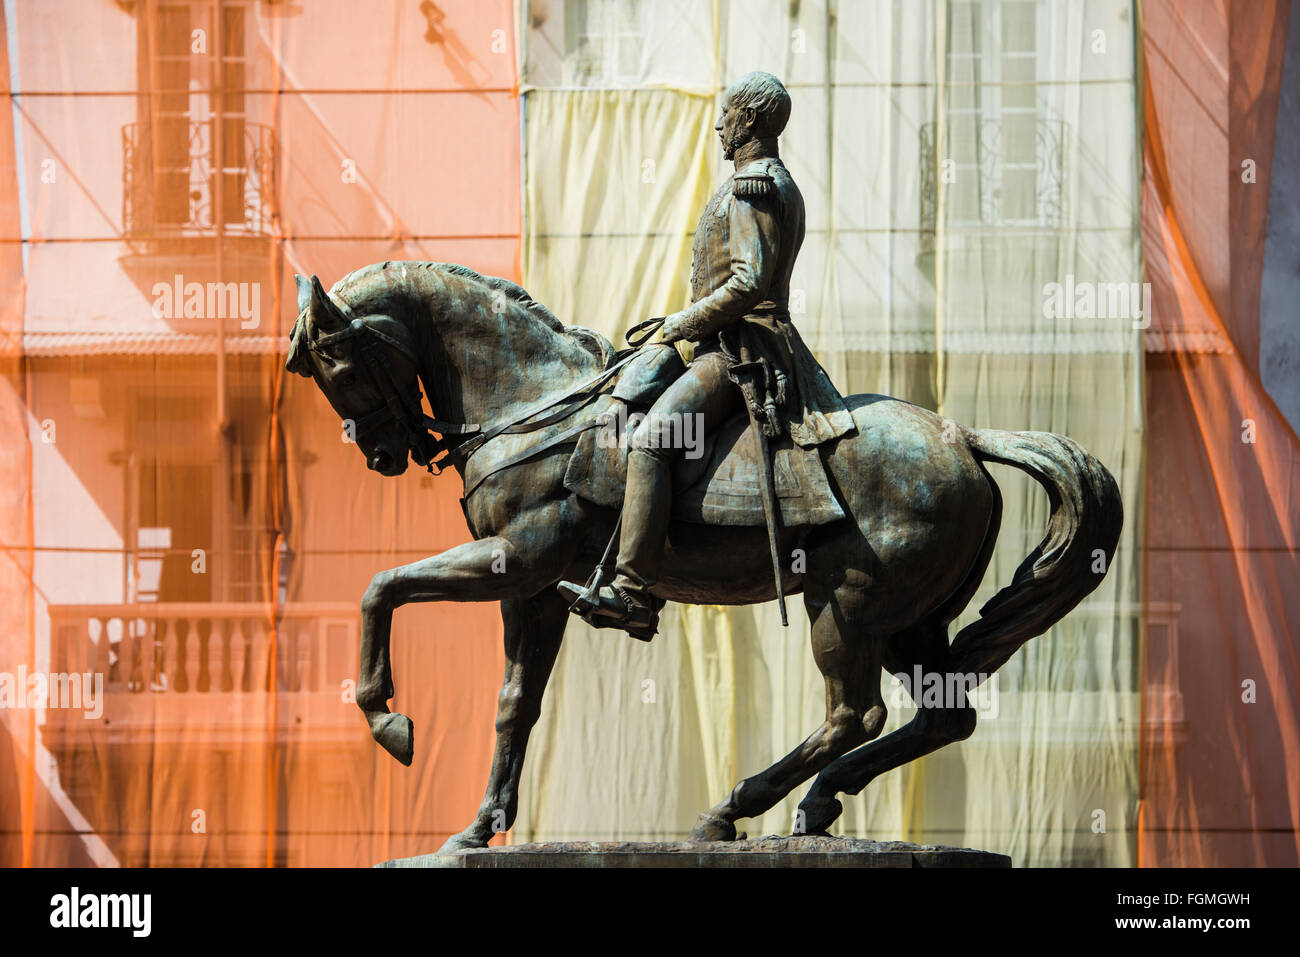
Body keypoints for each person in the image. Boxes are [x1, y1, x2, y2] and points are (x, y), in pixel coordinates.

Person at [558, 71, 854, 639]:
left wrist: (677, 322)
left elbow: (748, 283)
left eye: (727, 113)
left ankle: (633, 593)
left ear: (749, 120)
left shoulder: (755, 186)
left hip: (743, 351)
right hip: (728, 344)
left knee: (651, 440)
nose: (719, 124)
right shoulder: (763, 181)